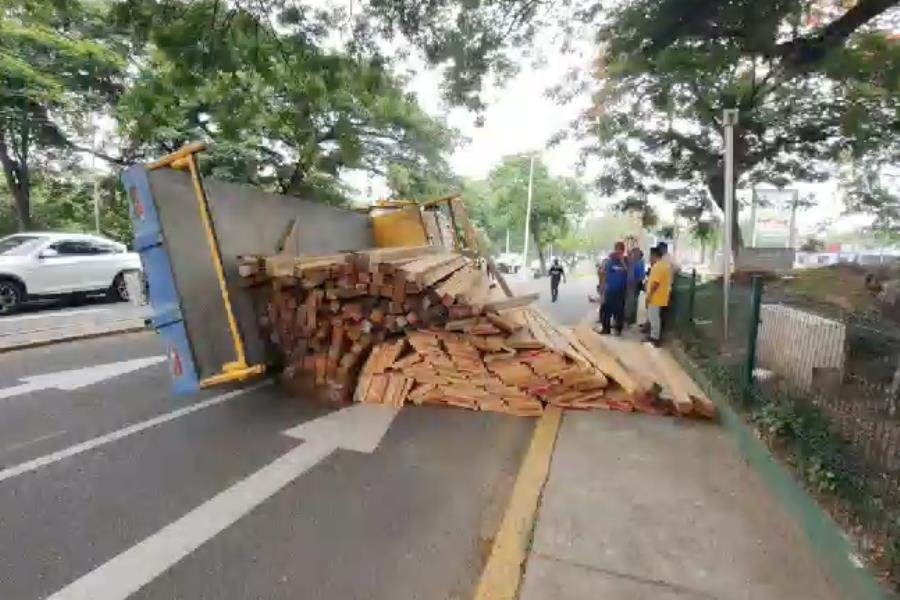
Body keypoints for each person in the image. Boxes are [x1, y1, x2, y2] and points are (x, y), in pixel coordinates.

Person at [597, 241, 629, 335]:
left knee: (619, 310)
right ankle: (606, 328)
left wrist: (622, 261)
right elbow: (604, 275)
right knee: (605, 309)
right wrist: (602, 290)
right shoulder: (610, 261)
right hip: (610, 290)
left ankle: (618, 329)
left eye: (620, 250)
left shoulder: (626, 261)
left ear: (623, 251)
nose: (618, 252)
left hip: (621, 290)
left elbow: (629, 273)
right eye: (616, 249)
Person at [645, 246, 672, 346]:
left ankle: (655, 338)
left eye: (650, 256)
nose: (649, 258)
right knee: (655, 317)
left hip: (656, 297)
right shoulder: (663, 266)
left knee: (654, 318)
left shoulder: (657, 267)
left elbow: (655, 284)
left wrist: (649, 296)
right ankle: (653, 336)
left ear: (654, 255)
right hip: (661, 296)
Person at [625, 248, 645, 326]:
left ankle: (630, 318)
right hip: (633, 283)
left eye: (635, 253)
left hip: (634, 283)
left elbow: (640, 275)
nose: (633, 255)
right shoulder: (636, 262)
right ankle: (631, 318)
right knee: (632, 301)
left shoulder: (637, 263)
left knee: (632, 301)